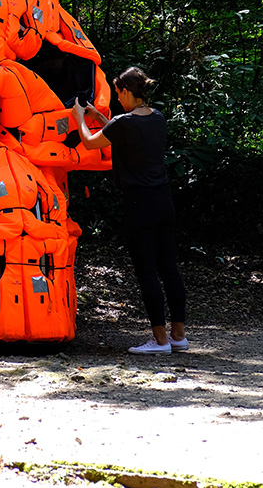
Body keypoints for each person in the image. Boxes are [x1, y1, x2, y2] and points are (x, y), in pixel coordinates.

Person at [72, 67, 188, 354]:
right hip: (164, 201)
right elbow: (123, 130)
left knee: (147, 270)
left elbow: (89, 141)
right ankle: (178, 336)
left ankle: (159, 341)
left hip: (139, 204)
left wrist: (79, 119)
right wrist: (101, 118)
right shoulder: (158, 118)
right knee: (169, 268)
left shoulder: (123, 123)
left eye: (118, 93)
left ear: (124, 91)